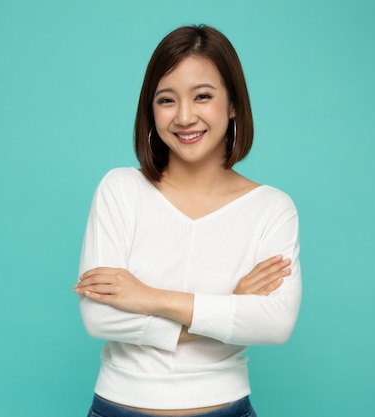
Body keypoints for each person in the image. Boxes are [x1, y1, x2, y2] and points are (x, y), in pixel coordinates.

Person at [74, 24, 301, 417]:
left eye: (202, 96)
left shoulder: (271, 208)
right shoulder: (120, 189)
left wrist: (149, 297)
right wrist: (229, 309)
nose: (184, 116)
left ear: (233, 105)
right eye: (166, 100)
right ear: (151, 109)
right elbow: (99, 316)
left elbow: (275, 324)